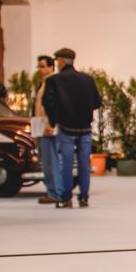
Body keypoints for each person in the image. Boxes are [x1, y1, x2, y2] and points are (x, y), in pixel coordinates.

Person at [42, 47, 101, 208]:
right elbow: (97, 102)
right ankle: (84, 197)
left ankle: (65, 198)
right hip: (85, 128)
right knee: (84, 164)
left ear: (61, 61)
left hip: (66, 128)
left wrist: (54, 120)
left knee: (66, 164)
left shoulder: (54, 81)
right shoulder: (87, 80)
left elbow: (48, 103)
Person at [32, 54, 61, 204]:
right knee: (46, 160)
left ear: (51, 67)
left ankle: (54, 192)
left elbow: (53, 106)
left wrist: (51, 124)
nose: (40, 69)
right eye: (39, 67)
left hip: (48, 126)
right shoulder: (42, 83)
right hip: (40, 124)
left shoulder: (53, 82)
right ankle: (52, 190)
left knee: (51, 161)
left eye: (43, 66)